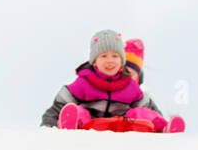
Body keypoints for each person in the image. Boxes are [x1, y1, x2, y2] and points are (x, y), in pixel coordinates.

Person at [40, 29, 185, 133]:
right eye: (104, 56)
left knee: (140, 112)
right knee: (78, 112)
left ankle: (165, 128)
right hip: (91, 123)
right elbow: (59, 105)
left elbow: (149, 109)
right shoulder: (84, 82)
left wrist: (158, 119)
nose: (110, 61)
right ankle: (68, 124)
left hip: (124, 124)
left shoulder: (129, 85)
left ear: (122, 61)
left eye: (115, 56)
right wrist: (48, 125)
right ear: (94, 62)